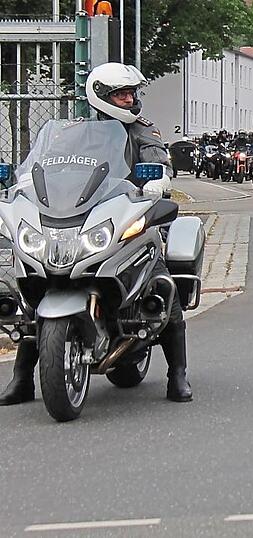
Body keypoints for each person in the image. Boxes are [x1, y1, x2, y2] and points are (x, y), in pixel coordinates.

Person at [0, 62, 193, 405]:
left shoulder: (143, 131)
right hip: (77, 217)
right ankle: (22, 379)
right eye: (121, 95)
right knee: (34, 292)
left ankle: (177, 374)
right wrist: (24, 181)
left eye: (131, 93)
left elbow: (159, 163)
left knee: (162, 284)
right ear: (101, 96)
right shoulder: (72, 132)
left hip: (129, 217)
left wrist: (159, 179)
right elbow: (42, 164)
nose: (129, 100)